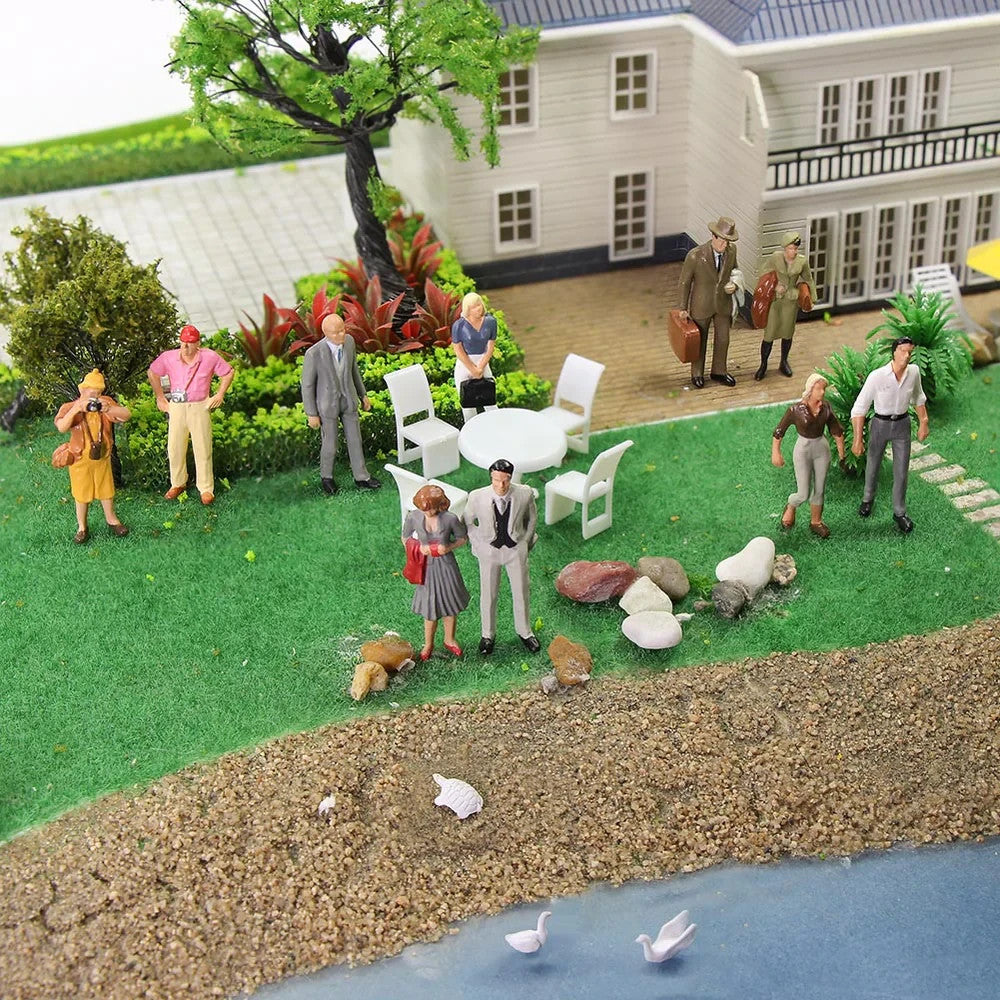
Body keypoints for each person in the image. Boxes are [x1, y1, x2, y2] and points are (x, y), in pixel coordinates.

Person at [850, 336, 929, 534]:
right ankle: (868, 498)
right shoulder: (877, 376)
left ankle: (899, 512)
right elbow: (859, 408)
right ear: (894, 352)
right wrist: (857, 439)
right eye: (903, 351)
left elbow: (918, 397)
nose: (907, 355)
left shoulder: (913, 372)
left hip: (902, 424)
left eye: (910, 352)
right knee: (873, 463)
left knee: (901, 470)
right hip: (880, 424)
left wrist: (923, 422)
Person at [148, 325, 234, 505]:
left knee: (202, 447)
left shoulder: (209, 357)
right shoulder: (169, 357)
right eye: (183, 342)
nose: (185, 347)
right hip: (177, 407)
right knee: (174, 447)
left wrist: (219, 394)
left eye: (190, 343)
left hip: (199, 406)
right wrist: (160, 397)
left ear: (198, 343)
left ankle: (206, 487)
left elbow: (228, 372)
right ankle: (178, 482)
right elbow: (153, 372)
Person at [464, 458, 541, 655]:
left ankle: (525, 632)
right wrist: (478, 544)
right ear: (491, 478)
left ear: (510, 477)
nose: (501, 485)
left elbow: (532, 519)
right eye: (496, 480)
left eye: (505, 480)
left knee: (521, 591)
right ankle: (487, 635)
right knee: (488, 593)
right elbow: (468, 522)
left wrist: (525, 542)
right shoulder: (477, 496)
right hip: (489, 551)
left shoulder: (524, 493)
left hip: (515, 550)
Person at [300, 313, 381, 495]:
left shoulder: (349, 342)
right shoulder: (314, 354)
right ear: (326, 333)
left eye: (343, 330)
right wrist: (311, 413)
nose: (341, 335)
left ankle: (362, 476)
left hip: (348, 400)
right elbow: (307, 386)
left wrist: (363, 395)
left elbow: (354, 370)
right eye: (336, 332)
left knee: (355, 439)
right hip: (327, 405)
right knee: (330, 442)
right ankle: (326, 476)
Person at [54, 369, 131, 544]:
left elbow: (126, 415)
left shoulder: (105, 403)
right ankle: (82, 526)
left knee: (106, 490)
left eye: (98, 392)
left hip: (102, 456)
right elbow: (62, 427)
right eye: (92, 392)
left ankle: (112, 519)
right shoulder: (70, 407)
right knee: (81, 493)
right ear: (82, 390)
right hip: (79, 457)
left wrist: (110, 409)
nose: (95, 396)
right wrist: (76, 409)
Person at [772, 373, 846, 538]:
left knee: (819, 489)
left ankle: (816, 521)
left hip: (821, 448)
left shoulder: (826, 408)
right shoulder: (795, 410)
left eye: (823, 389)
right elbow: (779, 431)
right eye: (818, 389)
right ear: (810, 389)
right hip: (803, 449)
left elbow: (836, 430)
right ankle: (791, 505)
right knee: (803, 493)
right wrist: (776, 452)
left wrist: (842, 455)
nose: (822, 392)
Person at [402, 484, 470, 660]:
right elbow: (405, 537)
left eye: (431, 508)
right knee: (429, 606)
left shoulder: (450, 519)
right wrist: (419, 547)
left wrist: (449, 547)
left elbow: (463, 538)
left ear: (440, 504)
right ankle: (428, 643)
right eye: (424, 509)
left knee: (450, 603)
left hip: (446, 565)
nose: (428, 512)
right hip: (426, 566)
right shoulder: (414, 517)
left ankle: (449, 639)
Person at [678, 216, 739, 389]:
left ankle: (719, 371)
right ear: (713, 236)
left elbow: (735, 271)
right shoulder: (695, 256)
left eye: (728, 241)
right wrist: (682, 307)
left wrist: (734, 284)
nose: (725, 245)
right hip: (701, 304)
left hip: (723, 303)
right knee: (700, 339)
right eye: (722, 241)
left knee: (723, 339)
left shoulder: (732, 251)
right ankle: (697, 373)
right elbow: (684, 282)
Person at [755, 231, 816, 381]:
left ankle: (784, 361)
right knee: (769, 334)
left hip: (791, 300)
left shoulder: (802, 261)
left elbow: (808, 279)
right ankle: (763, 364)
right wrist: (774, 285)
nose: (793, 252)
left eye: (795, 249)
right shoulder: (775, 258)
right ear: (784, 248)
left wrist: (812, 299)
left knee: (788, 333)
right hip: (776, 300)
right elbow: (763, 272)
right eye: (790, 248)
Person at [452, 292, 499, 423]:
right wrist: (472, 369)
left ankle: (497, 426)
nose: (478, 309)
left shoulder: (490, 322)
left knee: (490, 401)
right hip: (464, 365)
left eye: (479, 305)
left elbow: (490, 347)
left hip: (483, 362)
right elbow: (458, 349)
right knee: (468, 405)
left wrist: (481, 367)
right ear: (467, 309)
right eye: (473, 307)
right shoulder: (459, 325)